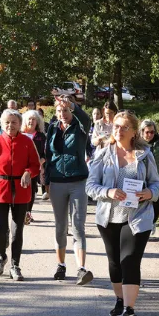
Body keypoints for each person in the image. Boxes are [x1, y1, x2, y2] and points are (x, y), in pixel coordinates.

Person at [86, 110, 159, 316]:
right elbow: (90, 186)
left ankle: (129, 310)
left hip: (137, 217)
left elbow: (156, 184)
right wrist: (108, 192)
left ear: (134, 131)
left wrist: (149, 193)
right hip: (109, 217)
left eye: (124, 127)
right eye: (116, 126)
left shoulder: (144, 155)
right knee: (115, 262)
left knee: (130, 261)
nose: (119, 130)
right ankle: (120, 299)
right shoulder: (103, 154)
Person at [0, 110, 41, 281]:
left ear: (20, 124)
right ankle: (1, 256)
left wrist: (28, 172)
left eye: (14, 122)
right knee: (0, 230)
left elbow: (35, 165)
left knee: (17, 230)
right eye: (7, 122)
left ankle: (15, 265)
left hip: (21, 189)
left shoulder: (27, 142)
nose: (10, 125)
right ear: (2, 124)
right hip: (0, 189)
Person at [45, 96, 93, 285]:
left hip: (78, 181)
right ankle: (61, 265)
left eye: (66, 110)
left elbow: (86, 119)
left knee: (78, 226)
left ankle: (81, 269)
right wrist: (46, 180)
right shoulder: (52, 128)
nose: (63, 114)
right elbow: (48, 155)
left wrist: (72, 105)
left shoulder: (80, 127)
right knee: (60, 226)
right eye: (59, 111)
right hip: (57, 181)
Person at [21, 110, 46, 225]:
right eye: (29, 119)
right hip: (20, 168)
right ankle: (20, 212)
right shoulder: (20, 134)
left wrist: (40, 162)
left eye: (33, 119)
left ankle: (28, 213)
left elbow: (45, 153)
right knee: (20, 190)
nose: (31, 121)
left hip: (33, 168)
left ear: (37, 122)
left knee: (31, 191)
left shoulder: (41, 136)